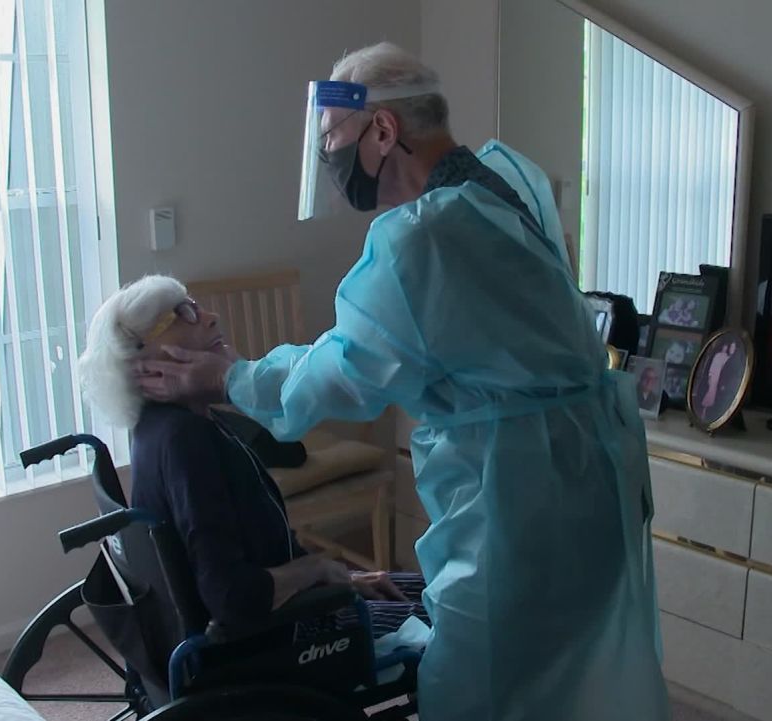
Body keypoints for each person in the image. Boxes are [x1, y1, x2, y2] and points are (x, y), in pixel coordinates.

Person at [135, 43, 669, 721]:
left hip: (523, 494)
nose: (329, 162)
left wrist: (231, 376)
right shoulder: (511, 178)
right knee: (571, 666)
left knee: (486, 677)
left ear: (383, 131)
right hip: (592, 471)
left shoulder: (425, 238)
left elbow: (337, 373)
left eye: (333, 140)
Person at [77, 275, 430, 647]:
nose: (211, 317)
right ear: (143, 363)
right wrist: (320, 569)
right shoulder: (185, 440)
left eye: (196, 306)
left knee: (440, 590)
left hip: (296, 604)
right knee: (469, 613)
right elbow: (232, 597)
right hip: (288, 635)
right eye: (183, 314)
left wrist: (341, 576)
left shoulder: (168, 426)